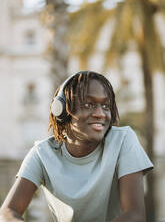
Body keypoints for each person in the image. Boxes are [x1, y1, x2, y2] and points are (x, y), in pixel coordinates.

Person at [0, 71, 153, 222]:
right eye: (89, 104)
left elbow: (135, 214)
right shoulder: (42, 154)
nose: (101, 114)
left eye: (106, 106)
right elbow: (8, 211)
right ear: (61, 110)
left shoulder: (123, 140)